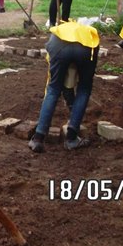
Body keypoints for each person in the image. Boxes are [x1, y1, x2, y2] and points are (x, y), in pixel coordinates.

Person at [28, 21, 100, 153]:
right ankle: (71, 139)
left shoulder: (57, 32)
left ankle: (38, 139)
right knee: (84, 88)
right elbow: (78, 77)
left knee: (53, 89)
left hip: (59, 46)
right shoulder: (90, 33)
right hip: (85, 48)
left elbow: (57, 80)